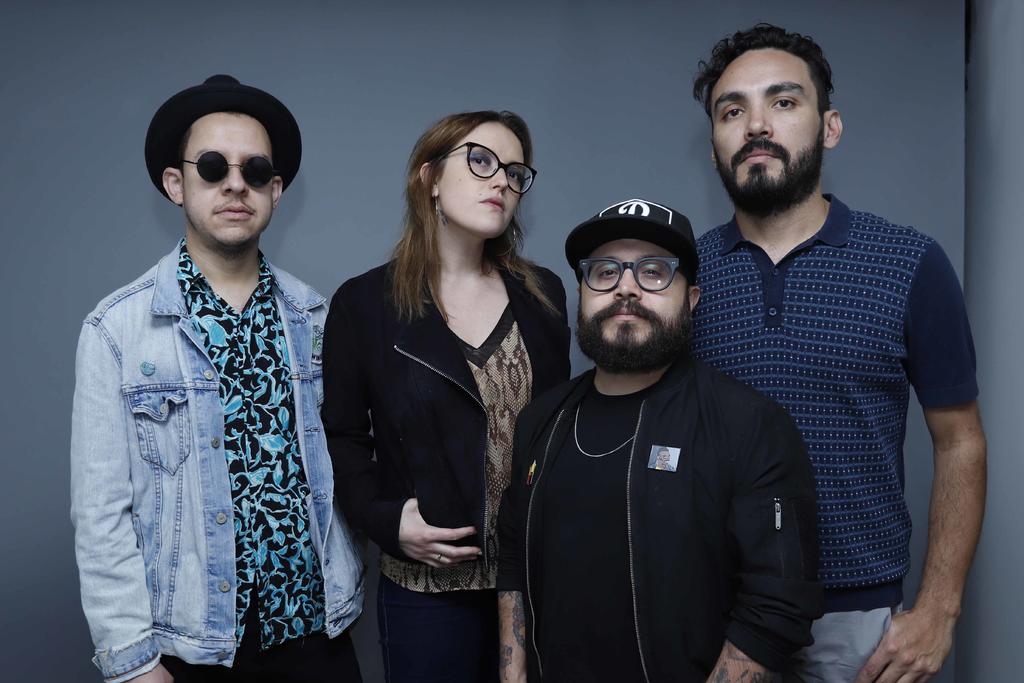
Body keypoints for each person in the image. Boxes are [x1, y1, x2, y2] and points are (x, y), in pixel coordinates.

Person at [690, 24, 987, 682]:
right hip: (717, 614)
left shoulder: (909, 262)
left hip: (859, 627)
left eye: (783, 101)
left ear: (830, 128)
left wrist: (939, 607)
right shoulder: (683, 277)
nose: (756, 125)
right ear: (713, 149)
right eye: (732, 111)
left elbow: (960, 440)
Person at [70, 75, 364, 683]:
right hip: (192, 650)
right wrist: (133, 662)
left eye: (255, 170)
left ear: (275, 191)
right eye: (211, 167)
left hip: (317, 636)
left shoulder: (316, 317)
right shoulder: (116, 329)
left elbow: (351, 457)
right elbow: (100, 514)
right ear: (175, 184)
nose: (235, 184)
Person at [497, 198, 822, 682]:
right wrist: (512, 673)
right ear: (582, 293)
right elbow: (513, 555)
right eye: (605, 272)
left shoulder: (751, 424)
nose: (625, 287)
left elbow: (778, 605)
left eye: (653, 271)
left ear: (691, 299)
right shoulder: (541, 420)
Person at [321, 110, 571, 683]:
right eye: (481, 161)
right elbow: (341, 438)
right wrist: (386, 521)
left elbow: (557, 431)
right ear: (429, 177)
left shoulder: (545, 295)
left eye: (515, 173)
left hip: (533, 582)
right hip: (426, 592)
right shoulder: (364, 304)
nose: (501, 181)